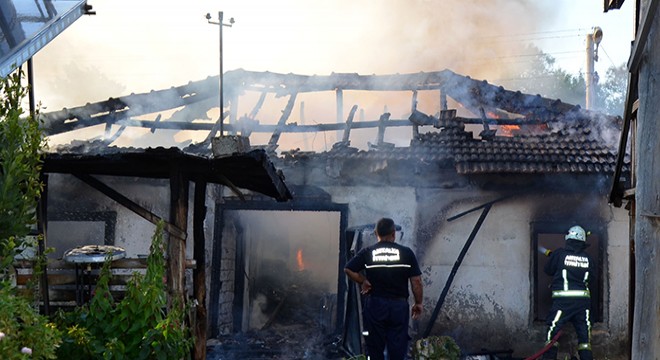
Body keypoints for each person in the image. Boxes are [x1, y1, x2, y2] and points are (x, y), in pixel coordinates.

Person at [344, 218, 423, 360]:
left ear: (376, 233)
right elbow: (416, 281)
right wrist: (418, 303)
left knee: (375, 347)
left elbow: (348, 269)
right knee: (398, 348)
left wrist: (363, 281)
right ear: (394, 233)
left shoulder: (368, 252)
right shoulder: (407, 253)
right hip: (398, 307)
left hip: (375, 306)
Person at [542, 225, 594, 360]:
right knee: (584, 337)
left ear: (568, 240)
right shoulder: (588, 258)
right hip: (583, 304)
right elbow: (593, 278)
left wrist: (557, 260)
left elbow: (548, 270)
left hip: (563, 303)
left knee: (553, 332)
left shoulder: (560, 254)